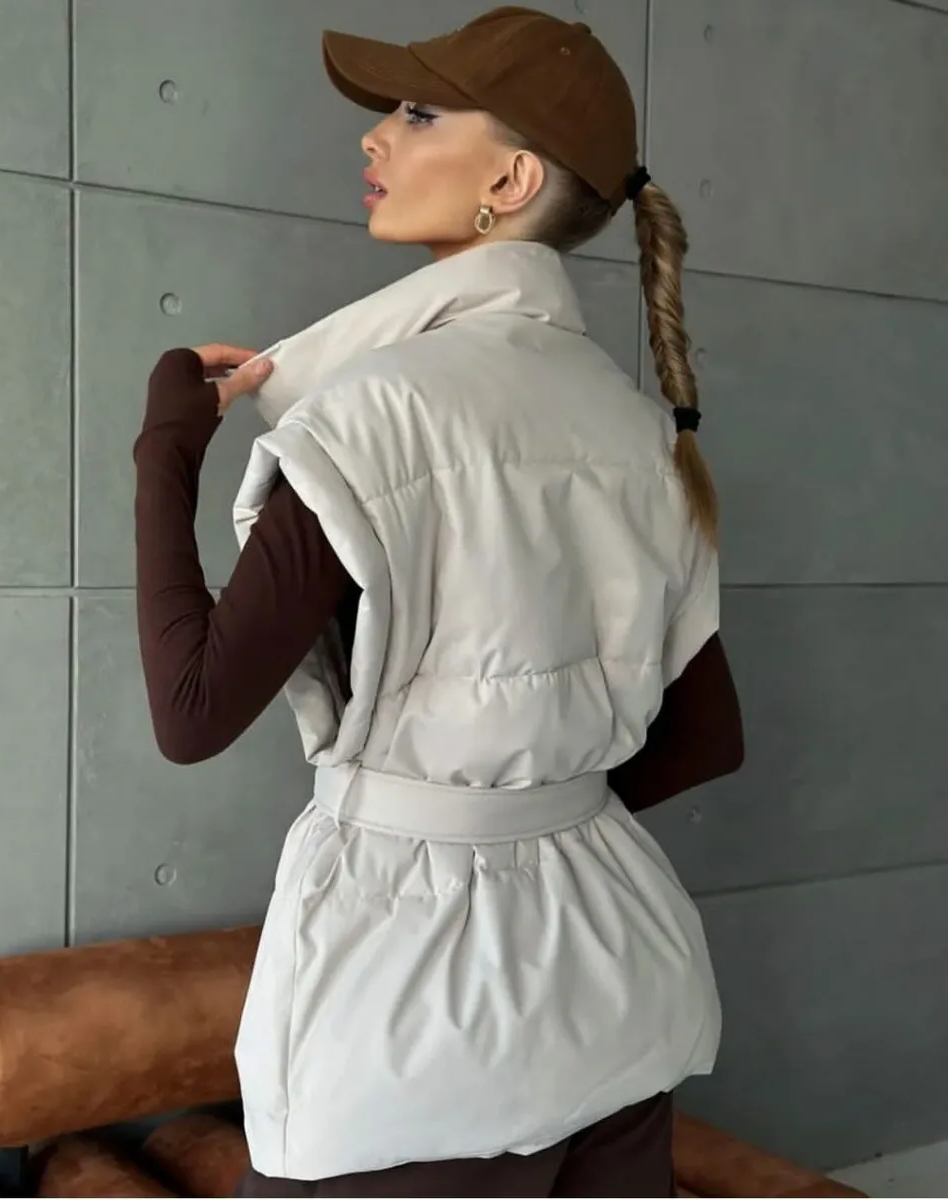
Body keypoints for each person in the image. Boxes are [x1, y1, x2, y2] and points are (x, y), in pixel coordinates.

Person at [134, 7, 744, 1196]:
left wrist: (164, 451)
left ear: (508, 182)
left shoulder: (369, 416)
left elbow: (192, 713)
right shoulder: (643, 430)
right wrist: (528, 813)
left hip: (407, 1026)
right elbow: (704, 736)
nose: (375, 137)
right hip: (621, 988)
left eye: (417, 115)